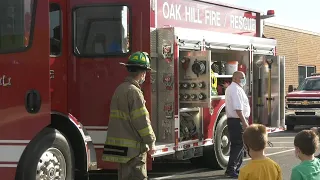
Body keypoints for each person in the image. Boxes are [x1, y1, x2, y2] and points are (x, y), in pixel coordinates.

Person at [102, 51, 156, 180]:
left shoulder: (120, 89)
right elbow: (142, 121)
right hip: (134, 151)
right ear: (142, 73)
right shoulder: (134, 92)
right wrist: (151, 141)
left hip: (122, 151)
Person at [224, 71, 250, 178]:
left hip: (236, 120)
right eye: (241, 77)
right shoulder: (234, 89)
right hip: (236, 121)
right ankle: (231, 169)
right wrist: (244, 122)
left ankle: (236, 168)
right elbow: (238, 109)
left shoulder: (236, 88)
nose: (244, 79)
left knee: (239, 145)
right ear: (235, 78)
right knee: (237, 145)